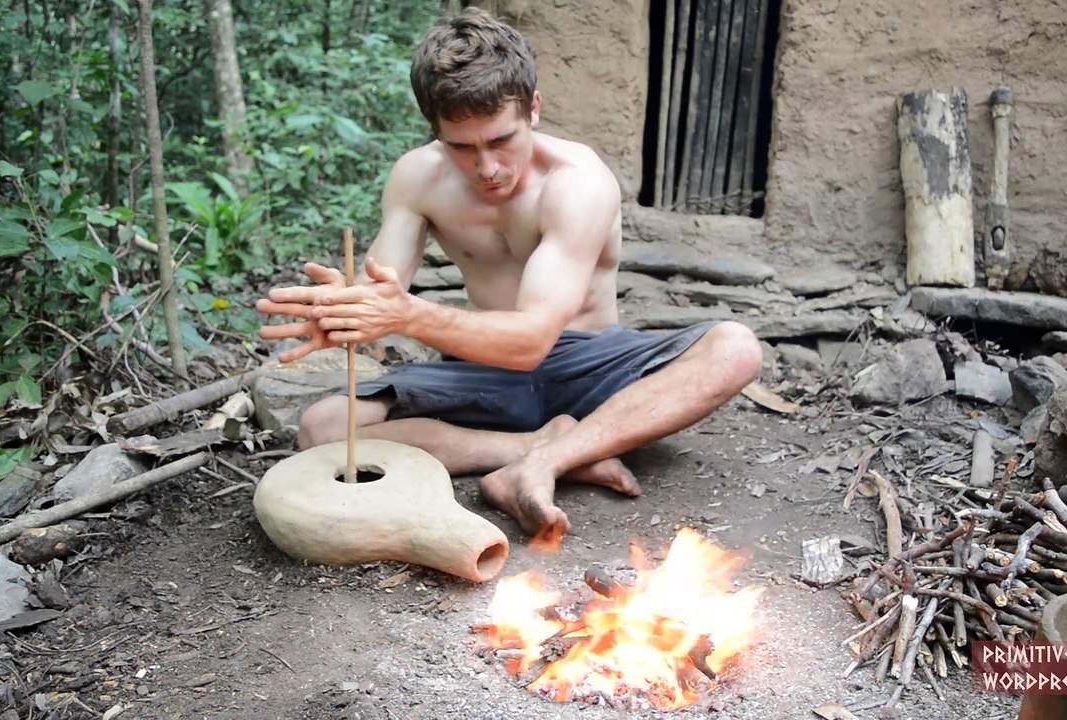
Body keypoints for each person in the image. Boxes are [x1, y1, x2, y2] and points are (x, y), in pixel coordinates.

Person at [256, 8, 762, 545]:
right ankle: (540, 448)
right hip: (485, 372)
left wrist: (406, 316)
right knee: (323, 428)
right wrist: (346, 313)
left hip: (588, 365)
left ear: (534, 109)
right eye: (461, 147)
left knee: (736, 349)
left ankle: (548, 462)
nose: (487, 167)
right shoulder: (416, 178)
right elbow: (383, 287)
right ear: (435, 131)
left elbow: (530, 341)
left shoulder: (578, 182)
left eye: (501, 140)